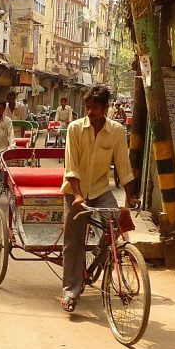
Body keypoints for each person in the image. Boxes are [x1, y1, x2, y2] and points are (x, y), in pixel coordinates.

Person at [60, 84, 137, 313]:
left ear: (105, 109)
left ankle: (99, 253)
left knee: (117, 226)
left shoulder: (116, 131)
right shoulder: (74, 129)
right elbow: (71, 166)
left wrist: (130, 198)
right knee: (73, 242)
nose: (90, 111)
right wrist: (77, 195)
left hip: (101, 190)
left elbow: (124, 167)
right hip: (75, 191)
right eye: (87, 106)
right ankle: (71, 291)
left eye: (95, 107)